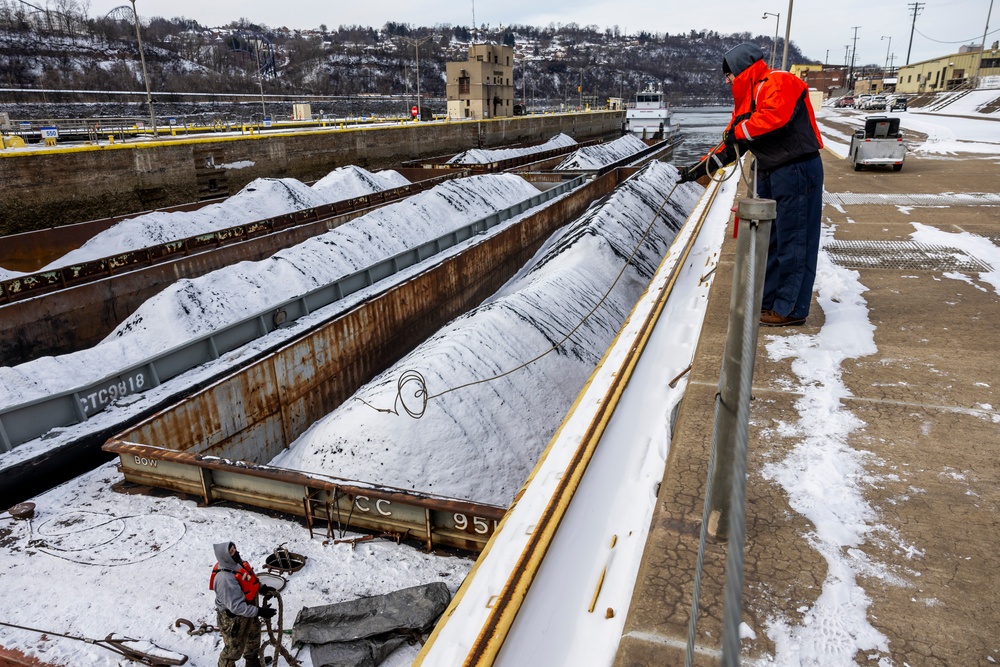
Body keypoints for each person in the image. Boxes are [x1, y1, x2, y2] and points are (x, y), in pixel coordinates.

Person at [679, 42, 824, 327]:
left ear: (741, 68)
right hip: (773, 171)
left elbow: (773, 119)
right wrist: (696, 170)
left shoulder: (778, 81)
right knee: (771, 242)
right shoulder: (747, 102)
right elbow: (731, 145)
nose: (727, 81)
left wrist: (737, 131)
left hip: (796, 169)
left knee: (795, 240)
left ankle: (791, 309)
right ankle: (768, 301)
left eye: (729, 74)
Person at [210, 542, 276, 667]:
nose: (236, 552)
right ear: (225, 556)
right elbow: (235, 607)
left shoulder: (237, 564)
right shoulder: (225, 579)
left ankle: (252, 663)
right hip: (233, 618)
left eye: (235, 549)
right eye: (231, 551)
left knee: (253, 636)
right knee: (233, 649)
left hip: (248, 609)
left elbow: (248, 579)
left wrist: (262, 588)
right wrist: (260, 611)